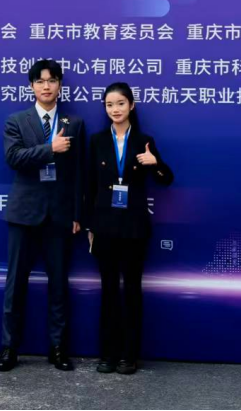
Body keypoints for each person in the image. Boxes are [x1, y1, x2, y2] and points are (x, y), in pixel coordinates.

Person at [0, 59, 85, 372]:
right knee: (15, 284)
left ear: (60, 84)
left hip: (59, 216)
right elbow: (13, 158)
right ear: (31, 86)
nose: (46, 86)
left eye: (52, 80)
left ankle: (58, 348)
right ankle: (9, 348)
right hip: (24, 214)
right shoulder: (16, 121)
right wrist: (50, 148)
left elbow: (79, 172)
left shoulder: (74, 123)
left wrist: (77, 213)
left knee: (58, 284)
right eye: (40, 81)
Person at [85, 82, 173, 375]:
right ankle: (107, 354)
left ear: (131, 105)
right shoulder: (97, 141)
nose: (115, 109)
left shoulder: (144, 141)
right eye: (109, 105)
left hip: (134, 228)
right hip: (105, 227)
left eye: (121, 103)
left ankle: (129, 355)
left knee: (132, 291)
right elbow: (89, 186)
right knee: (108, 290)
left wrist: (155, 162)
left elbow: (166, 179)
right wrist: (90, 224)